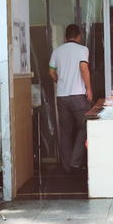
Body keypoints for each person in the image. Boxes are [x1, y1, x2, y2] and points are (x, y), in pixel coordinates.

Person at [49, 24, 92, 173]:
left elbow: (51, 72)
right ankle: (75, 161)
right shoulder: (82, 50)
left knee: (65, 131)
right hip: (78, 95)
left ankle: (67, 166)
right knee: (86, 127)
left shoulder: (57, 51)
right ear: (79, 36)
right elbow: (83, 68)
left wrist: (60, 82)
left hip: (62, 97)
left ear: (66, 37)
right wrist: (89, 88)